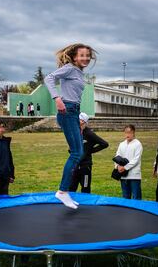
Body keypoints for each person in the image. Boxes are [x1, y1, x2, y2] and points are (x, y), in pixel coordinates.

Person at [44, 43, 97, 209]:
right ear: (74, 57)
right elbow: (49, 78)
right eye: (82, 55)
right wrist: (57, 99)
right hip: (67, 110)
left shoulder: (79, 72)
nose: (86, 58)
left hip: (74, 112)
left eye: (88, 55)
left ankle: (64, 191)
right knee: (76, 152)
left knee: (78, 152)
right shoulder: (69, 68)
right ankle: (62, 191)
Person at [69, 113, 108, 193]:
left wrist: (90, 150)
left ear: (83, 121)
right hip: (75, 166)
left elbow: (104, 144)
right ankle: (71, 204)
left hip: (85, 167)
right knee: (71, 188)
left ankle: (85, 205)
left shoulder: (89, 134)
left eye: (78, 119)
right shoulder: (75, 132)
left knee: (85, 188)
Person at [114, 124, 143, 200]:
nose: (128, 134)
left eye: (129, 132)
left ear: (133, 133)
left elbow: (136, 160)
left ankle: (137, 211)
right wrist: (118, 166)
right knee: (125, 197)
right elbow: (117, 156)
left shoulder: (138, 144)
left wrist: (125, 167)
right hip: (123, 175)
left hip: (134, 175)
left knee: (136, 197)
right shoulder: (122, 144)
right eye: (126, 132)